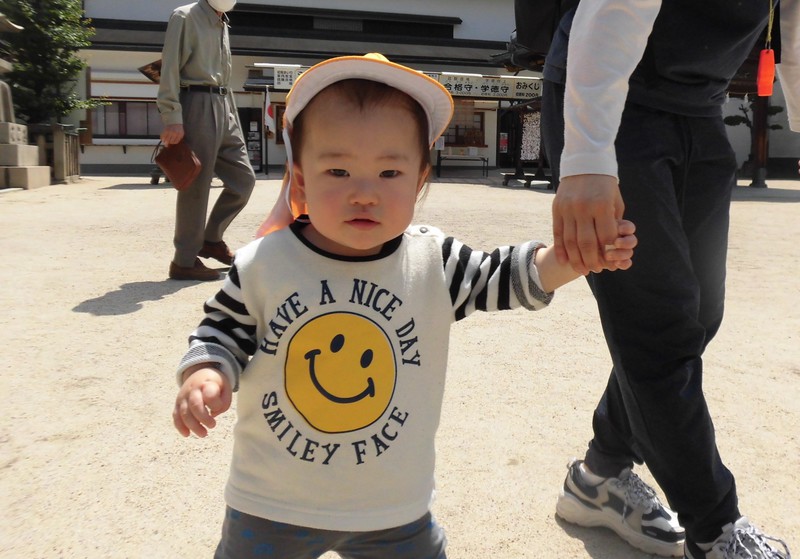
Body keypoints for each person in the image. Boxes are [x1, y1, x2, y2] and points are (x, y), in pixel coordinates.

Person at [171, 53, 637, 558]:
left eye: (390, 172)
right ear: (300, 180)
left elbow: (505, 275)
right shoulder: (265, 262)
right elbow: (219, 333)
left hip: (393, 510)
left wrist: (570, 258)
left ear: (420, 180)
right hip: (269, 504)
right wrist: (208, 374)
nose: (364, 194)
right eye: (339, 170)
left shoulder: (432, 260)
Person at [540, 0, 800, 557]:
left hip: (699, 105)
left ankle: (598, 475)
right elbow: (615, 9)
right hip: (611, 97)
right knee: (657, 325)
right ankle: (714, 527)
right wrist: (587, 157)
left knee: (699, 315)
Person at [157, 0, 256, 281]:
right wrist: (172, 115)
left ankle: (211, 239)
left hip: (224, 103)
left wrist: (232, 114)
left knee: (244, 180)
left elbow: (223, 74)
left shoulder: (222, 20)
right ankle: (184, 261)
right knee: (195, 184)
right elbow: (170, 68)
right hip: (196, 101)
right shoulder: (185, 16)